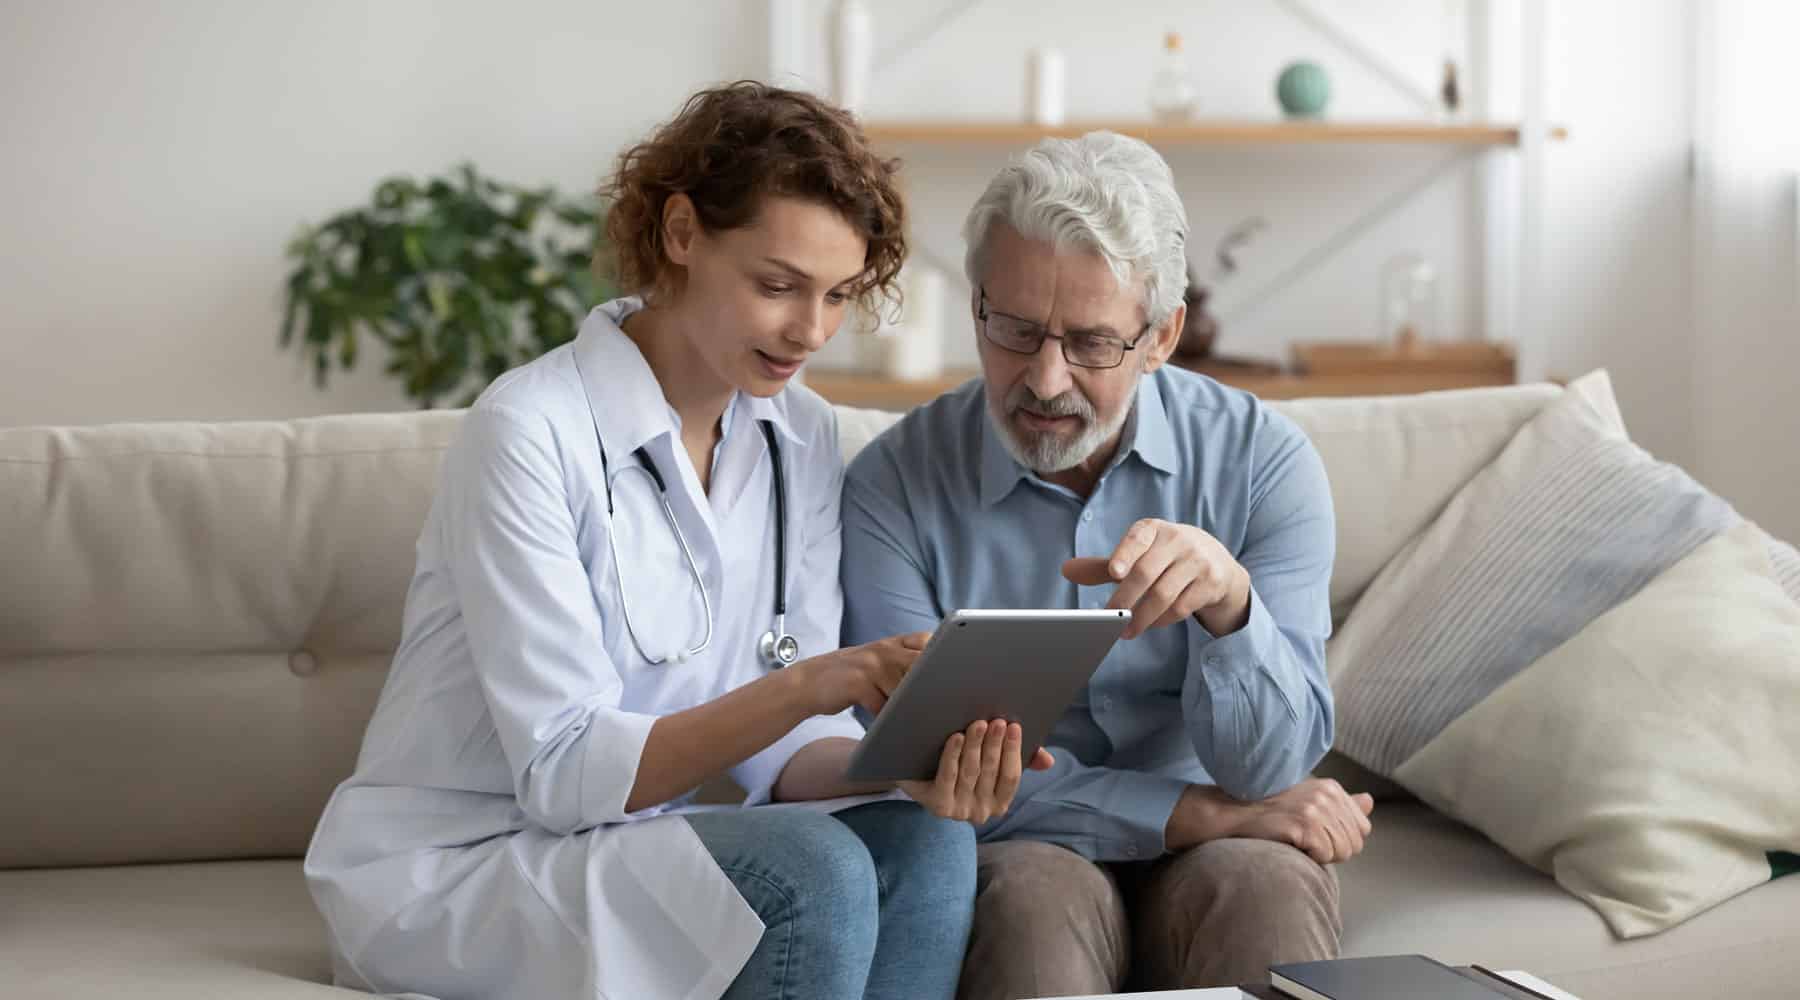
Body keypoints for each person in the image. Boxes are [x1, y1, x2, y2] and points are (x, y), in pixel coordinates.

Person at [304, 82, 1043, 1000]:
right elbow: (566, 775)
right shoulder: (529, 431)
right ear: (682, 233)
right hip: (468, 863)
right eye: (777, 285)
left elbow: (780, 759)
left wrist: (908, 766)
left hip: (633, 847)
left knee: (926, 840)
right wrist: (821, 679)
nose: (809, 331)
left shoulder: (801, 436)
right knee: (809, 870)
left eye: (838, 296)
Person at [840, 131, 1375, 998]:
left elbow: (1270, 771)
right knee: (1027, 905)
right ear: (977, 304)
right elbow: (918, 771)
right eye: (1015, 330)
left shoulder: (1264, 462)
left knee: (1265, 886)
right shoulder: (891, 486)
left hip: (1231, 844)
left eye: (1091, 343)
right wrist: (1190, 813)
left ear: (1161, 335)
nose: (1045, 381)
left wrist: (1232, 607)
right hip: (1023, 847)